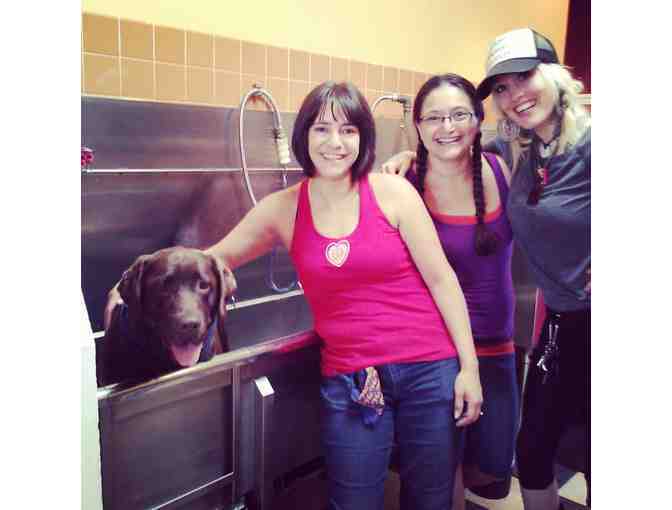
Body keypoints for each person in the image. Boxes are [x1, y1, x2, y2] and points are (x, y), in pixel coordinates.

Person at [105, 81, 483, 510]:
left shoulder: (393, 193)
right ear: (303, 135)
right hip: (352, 378)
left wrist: (468, 368)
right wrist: (123, 288)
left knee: (431, 501)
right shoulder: (283, 209)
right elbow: (208, 260)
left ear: (363, 137)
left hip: (430, 369)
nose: (335, 143)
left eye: (348, 130)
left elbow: (442, 280)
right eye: (322, 129)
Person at [382, 28, 591, 510]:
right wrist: (409, 157)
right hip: (458, 342)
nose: (515, 95)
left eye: (525, 77)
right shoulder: (518, 154)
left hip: (532, 334)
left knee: (524, 459)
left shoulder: (572, 147)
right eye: (502, 87)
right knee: (520, 454)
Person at [384, 73, 519, 510]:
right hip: (435, 350)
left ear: (479, 120)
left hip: (497, 344)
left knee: (494, 462)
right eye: (434, 118)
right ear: (418, 126)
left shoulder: (500, 167)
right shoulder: (404, 183)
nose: (448, 127)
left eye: (460, 115)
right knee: (440, 474)